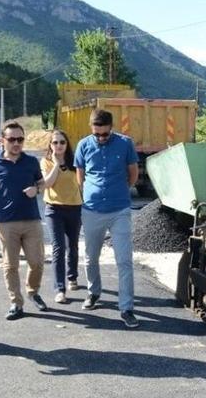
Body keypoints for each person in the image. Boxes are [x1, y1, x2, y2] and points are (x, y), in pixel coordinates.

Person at [74, 109, 140, 328]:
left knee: (124, 260)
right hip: (92, 211)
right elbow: (80, 176)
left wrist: (121, 190)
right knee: (90, 258)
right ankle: (93, 293)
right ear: (92, 129)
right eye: (97, 134)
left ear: (111, 127)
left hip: (119, 210)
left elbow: (133, 173)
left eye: (105, 134)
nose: (101, 138)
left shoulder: (125, 143)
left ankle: (127, 308)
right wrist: (88, 195)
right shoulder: (83, 145)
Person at [0, 121, 47, 320]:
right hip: (6, 223)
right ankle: (16, 303)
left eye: (20, 139)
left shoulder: (31, 162)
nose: (16, 143)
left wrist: (37, 190)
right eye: (12, 139)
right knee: (10, 266)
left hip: (32, 221)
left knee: (37, 262)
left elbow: (42, 184)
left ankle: (33, 291)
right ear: (2, 141)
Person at [41, 130, 83, 303]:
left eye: (62, 142)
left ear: (67, 144)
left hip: (74, 208)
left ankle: (72, 276)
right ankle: (60, 289)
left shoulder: (75, 161)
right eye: (55, 142)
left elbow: (83, 182)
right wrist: (57, 164)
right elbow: (47, 184)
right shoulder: (46, 162)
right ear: (50, 145)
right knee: (58, 248)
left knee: (72, 246)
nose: (59, 145)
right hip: (54, 209)